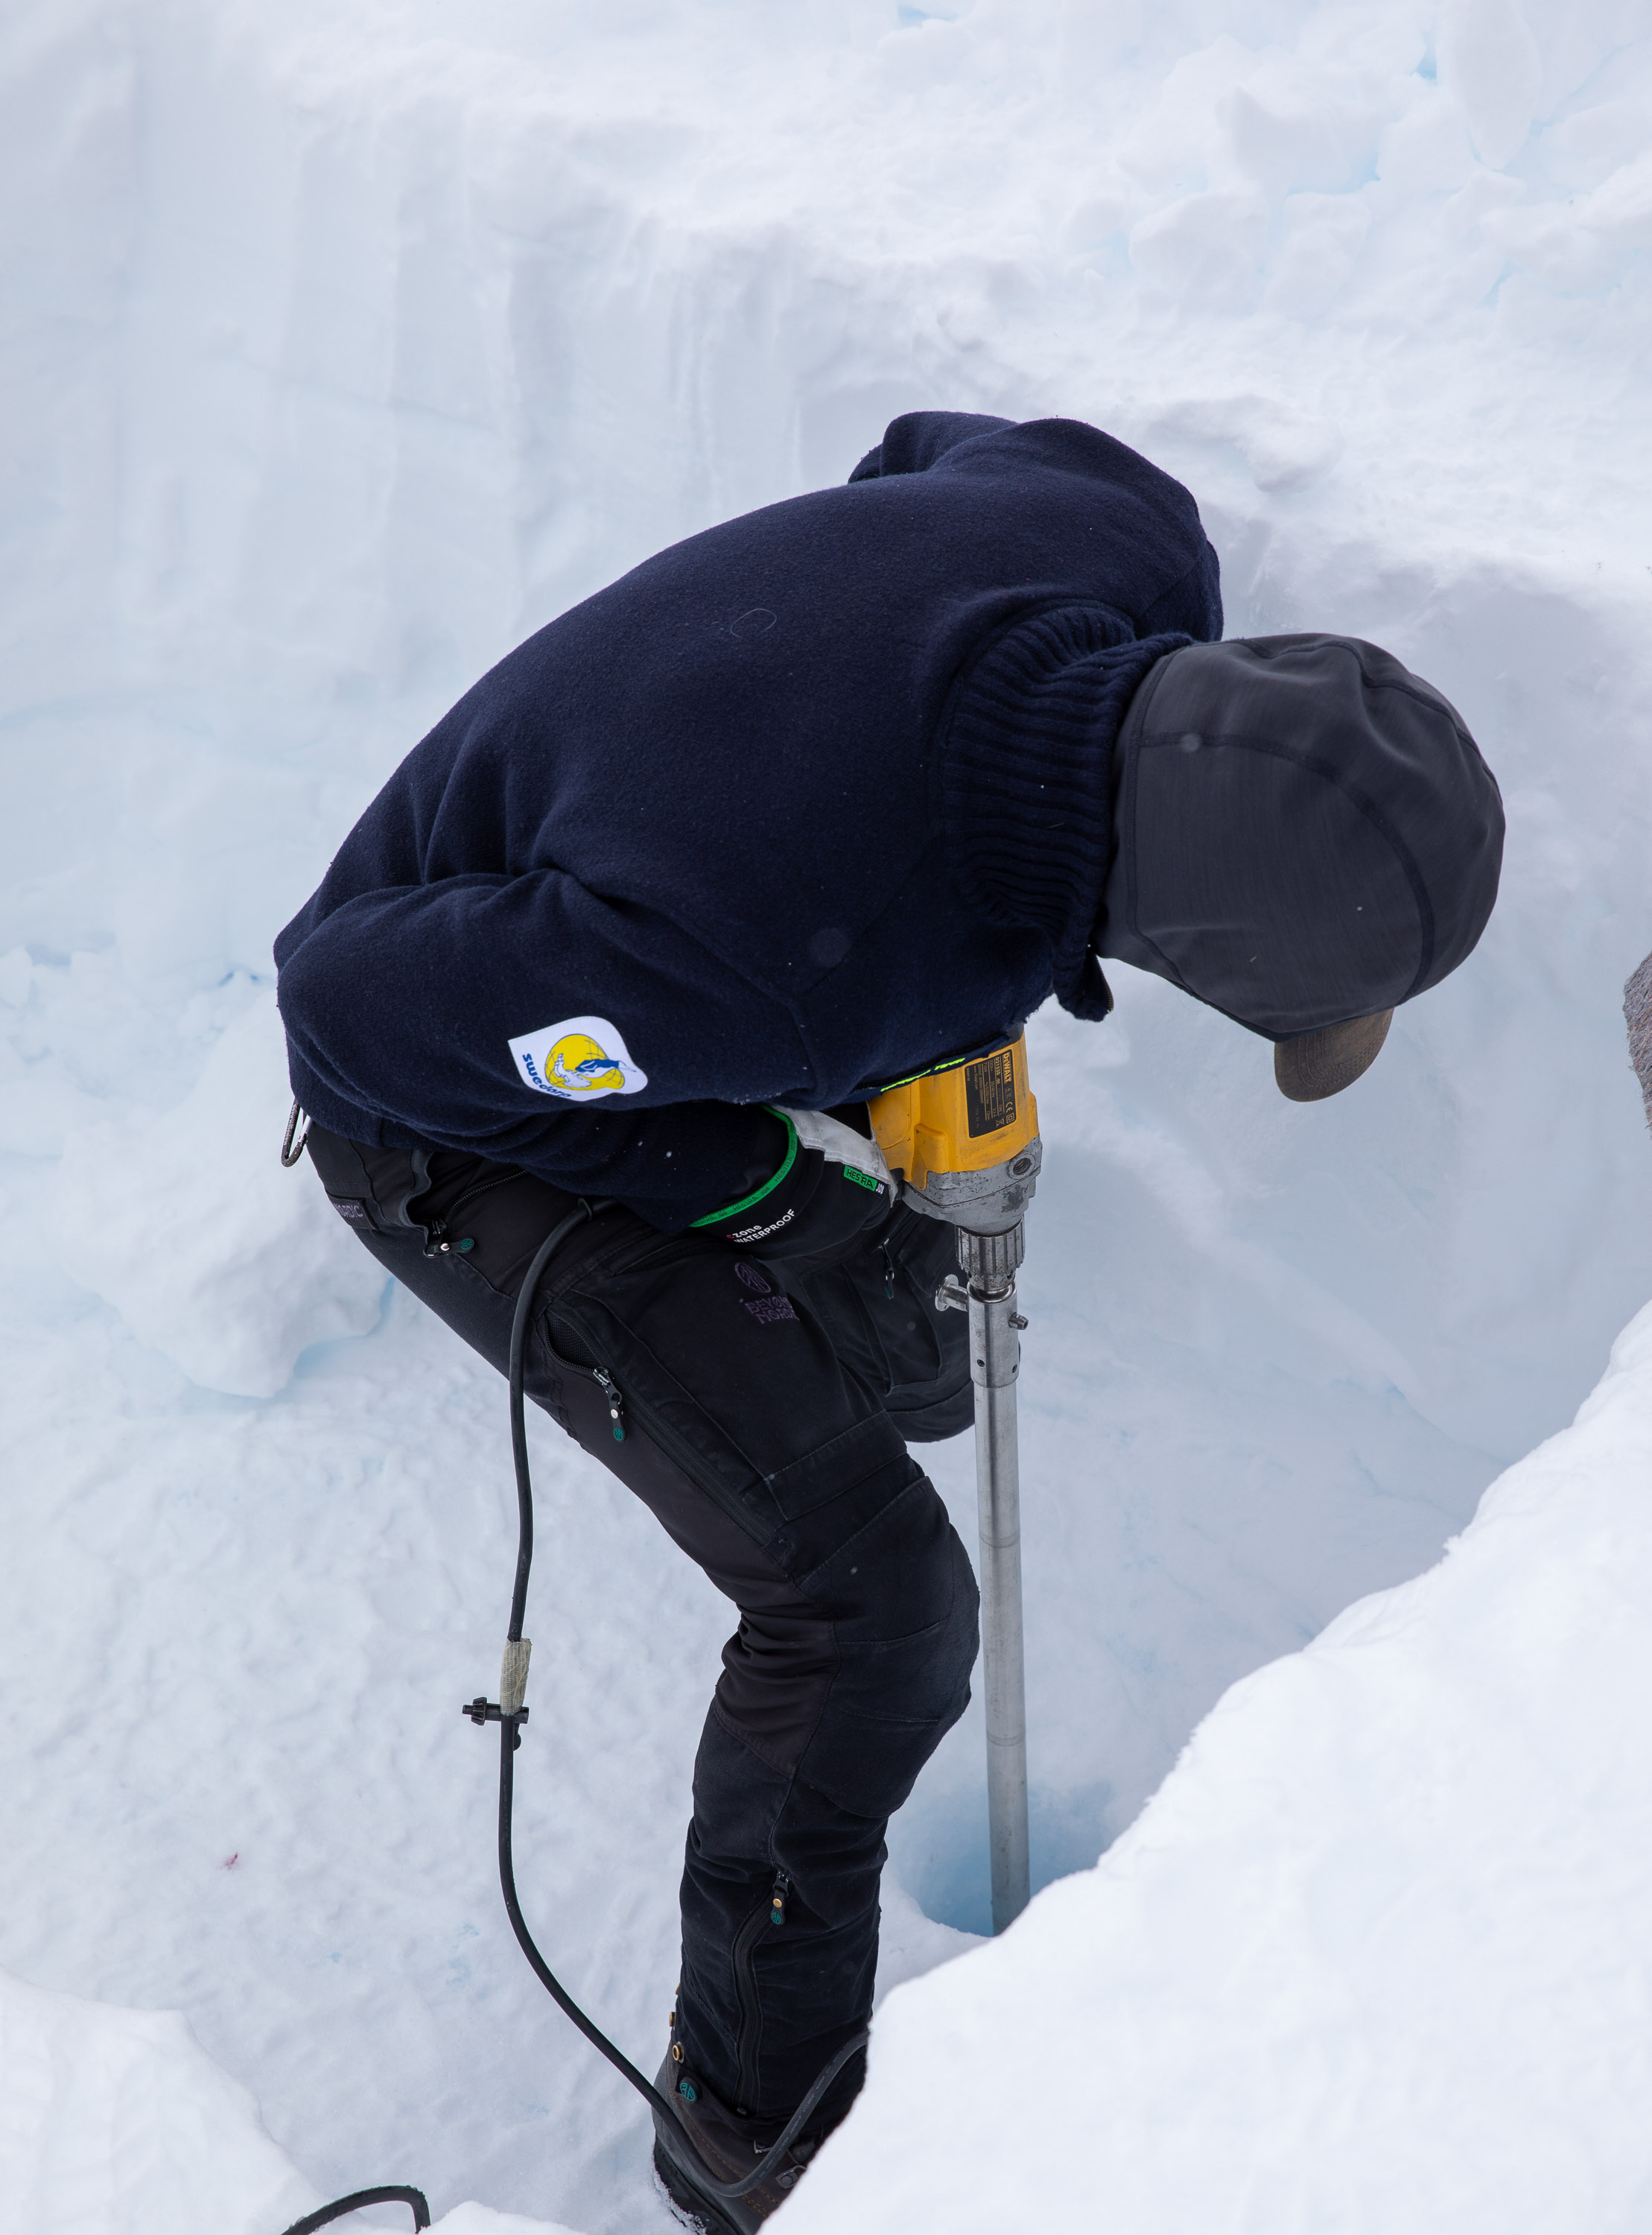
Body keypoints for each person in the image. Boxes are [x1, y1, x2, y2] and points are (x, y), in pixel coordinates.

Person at [274, 410, 1504, 2227]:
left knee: (905, 1305)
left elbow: (915, 454)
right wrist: (760, 1170)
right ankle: (747, 2128)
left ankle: (818, 1286)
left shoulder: (1119, 535)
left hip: (728, 951)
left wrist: (884, 838)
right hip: (446, 1099)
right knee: (872, 1607)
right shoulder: (742, 971)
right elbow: (353, 1012)